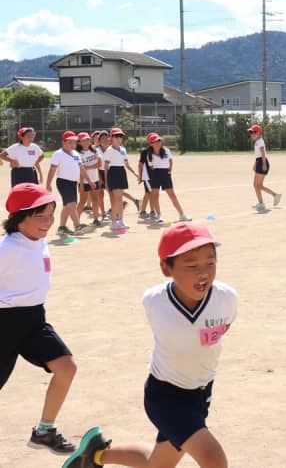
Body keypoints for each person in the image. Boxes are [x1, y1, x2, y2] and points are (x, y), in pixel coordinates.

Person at [63, 222, 238, 468]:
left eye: (211, 262)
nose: (203, 272)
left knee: (157, 465)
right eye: (191, 265)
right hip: (166, 396)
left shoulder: (227, 298)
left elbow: (223, 326)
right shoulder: (156, 302)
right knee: (213, 459)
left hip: (201, 393)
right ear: (166, 268)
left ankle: (94, 455)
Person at [1, 184, 77, 454]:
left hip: (34, 319)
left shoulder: (38, 239)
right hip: (5, 322)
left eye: (50, 215)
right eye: (40, 217)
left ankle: (44, 431)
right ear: (19, 217)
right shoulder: (6, 249)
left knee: (66, 368)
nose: (47, 223)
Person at [46, 131, 91, 236]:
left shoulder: (76, 154)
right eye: (70, 142)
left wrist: (89, 181)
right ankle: (77, 226)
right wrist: (48, 184)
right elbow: (52, 169)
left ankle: (62, 227)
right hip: (63, 182)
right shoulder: (58, 154)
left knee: (67, 205)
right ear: (63, 142)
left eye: (74, 142)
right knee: (71, 204)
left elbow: (81, 168)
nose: (73, 144)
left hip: (73, 183)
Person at [143, 133, 190, 223]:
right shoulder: (149, 154)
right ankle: (159, 215)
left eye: (159, 140)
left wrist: (169, 172)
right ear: (151, 144)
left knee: (172, 195)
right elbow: (151, 166)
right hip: (156, 174)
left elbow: (170, 161)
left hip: (165, 174)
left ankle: (182, 215)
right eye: (156, 141)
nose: (158, 142)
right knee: (155, 195)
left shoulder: (166, 150)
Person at [248, 125, 281, 210]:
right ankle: (275, 195)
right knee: (259, 185)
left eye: (252, 132)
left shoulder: (260, 141)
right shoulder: (258, 141)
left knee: (256, 185)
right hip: (260, 162)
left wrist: (263, 164)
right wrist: (256, 163)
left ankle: (261, 203)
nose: (251, 134)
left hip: (262, 162)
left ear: (258, 133)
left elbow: (262, 153)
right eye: (250, 132)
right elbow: (258, 154)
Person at [75, 132, 103, 227]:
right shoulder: (78, 154)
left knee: (95, 199)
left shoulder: (94, 150)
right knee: (82, 201)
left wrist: (87, 167)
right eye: (84, 140)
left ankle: (96, 219)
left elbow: (99, 164)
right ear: (79, 142)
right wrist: (81, 184)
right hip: (84, 181)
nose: (87, 141)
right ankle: (77, 222)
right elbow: (80, 169)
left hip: (94, 179)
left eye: (88, 139)